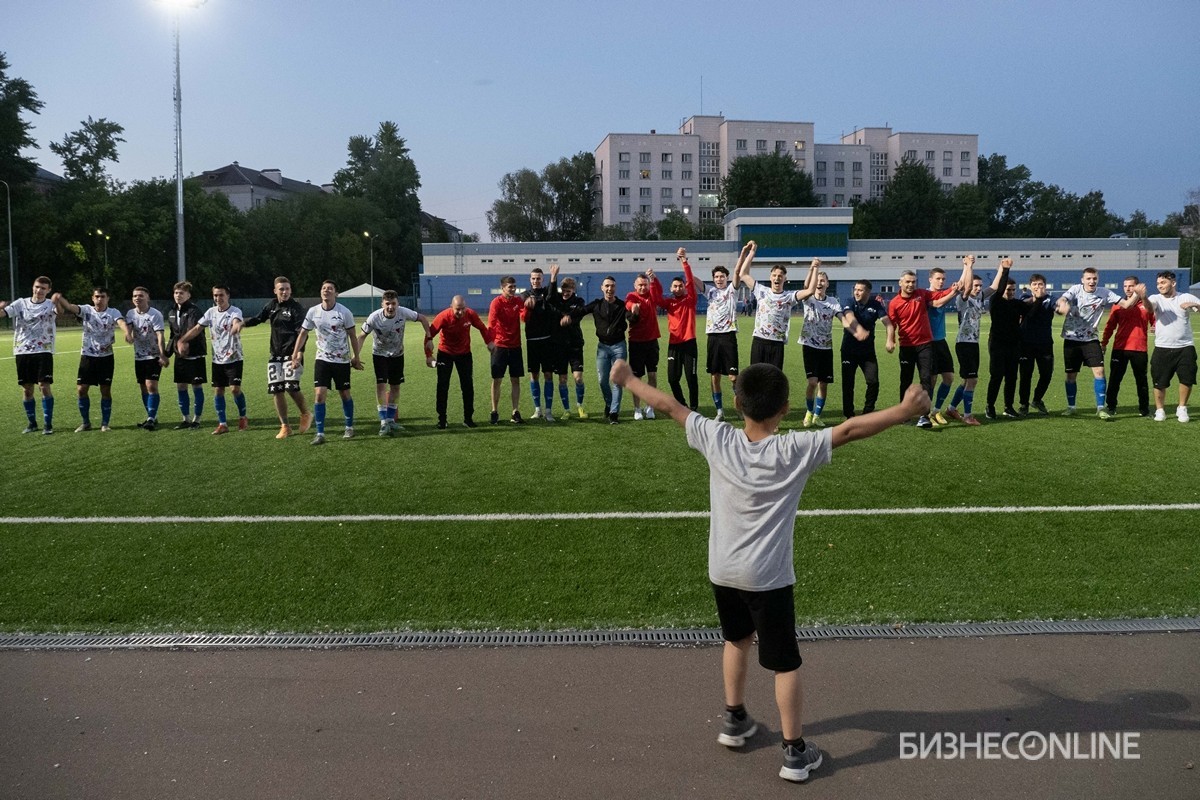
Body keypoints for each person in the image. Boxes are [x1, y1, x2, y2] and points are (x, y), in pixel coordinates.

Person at [609, 357, 928, 783]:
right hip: (768, 578)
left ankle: (735, 718)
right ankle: (795, 753)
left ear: (737, 403)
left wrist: (628, 378)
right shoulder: (793, 449)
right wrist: (905, 412)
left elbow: (670, 407)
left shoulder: (716, 437)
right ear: (786, 408)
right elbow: (849, 429)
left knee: (736, 639)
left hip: (722, 571)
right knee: (784, 664)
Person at [886, 256, 973, 428]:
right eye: (908, 282)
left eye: (913, 282)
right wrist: (890, 339)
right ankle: (905, 412)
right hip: (908, 345)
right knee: (907, 379)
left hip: (927, 344)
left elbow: (944, 296)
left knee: (928, 378)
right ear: (900, 283)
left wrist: (964, 271)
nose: (911, 285)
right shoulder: (896, 302)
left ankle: (925, 415)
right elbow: (891, 323)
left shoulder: (922, 295)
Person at [1056, 267, 1141, 420]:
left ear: (1098, 279)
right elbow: (1062, 299)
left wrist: (1137, 293)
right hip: (1071, 339)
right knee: (1070, 375)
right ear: (1082, 280)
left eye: (1094, 278)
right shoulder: (1075, 289)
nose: (1091, 281)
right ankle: (1071, 407)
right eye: (1088, 278)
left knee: (1100, 371)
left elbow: (1127, 305)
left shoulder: (1105, 293)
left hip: (1091, 339)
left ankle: (1101, 408)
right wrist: (1062, 303)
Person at [291, 280, 364, 445]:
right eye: (324, 288)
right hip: (322, 359)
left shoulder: (344, 312)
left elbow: (353, 335)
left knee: (344, 394)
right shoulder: (313, 311)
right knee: (319, 395)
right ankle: (320, 433)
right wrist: (295, 353)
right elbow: (303, 333)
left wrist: (356, 357)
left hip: (342, 360)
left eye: (330, 289)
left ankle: (349, 427)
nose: (326, 291)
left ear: (336, 293)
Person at [242, 276, 313, 439]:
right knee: (276, 390)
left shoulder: (296, 308)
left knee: (291, 387)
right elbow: (259, 318)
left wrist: (299, 352)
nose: (285, 292)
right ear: (275, 291)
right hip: (275, 355)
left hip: (292, 354)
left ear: (291, 290)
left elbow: (302, 333)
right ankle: (285, 426)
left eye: (287, 289)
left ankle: (305, 413)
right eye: (281, 289)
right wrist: (242, 324)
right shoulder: (271, 305)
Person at [797, 270, 869, 428]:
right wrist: (812, 269)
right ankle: (809, 412)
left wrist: (855, 332)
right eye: (818, 280)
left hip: (826, 348)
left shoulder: (833, 302)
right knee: (812, 382)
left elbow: (843, 320)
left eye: (823, 280)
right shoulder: (808, 298)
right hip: (809, 345)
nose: (820, 282)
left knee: (823, 384)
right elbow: (806, 285)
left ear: (827, 284)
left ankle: (817, 416)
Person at [52, 286, 129, 432]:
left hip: (106, 357)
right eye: (97, 296)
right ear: (93, 298)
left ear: (108, 298)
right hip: (87, 356)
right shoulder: (87, 310)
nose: (99, 299)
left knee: (105, 390)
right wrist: (59, 299)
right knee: (81, 389)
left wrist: (127, 333)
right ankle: (85, 422)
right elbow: (70, 307)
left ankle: (105, 423)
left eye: (103, 296)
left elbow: (121, 323)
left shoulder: (113, 312)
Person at [357, 289, 432, 436]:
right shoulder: (374, 317)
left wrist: (429, 338)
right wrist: (355, 356)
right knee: (381, 386)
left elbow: (423, 318)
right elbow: (361, 336)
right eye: (387, 304)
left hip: (398, 355)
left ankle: (391, 419)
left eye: (393, 304)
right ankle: (383, 422)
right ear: (382, 304)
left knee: (395, 387)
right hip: (380, 355)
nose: (390, 307)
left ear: (398, 304)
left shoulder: (403, 312)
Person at [176, 284, 248, 435]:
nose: (218, 298)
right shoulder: (211, 312)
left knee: (234, 390)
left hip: (234, 358)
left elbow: (236, 321)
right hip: (217, 359)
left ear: (228, 296)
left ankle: (242, 417)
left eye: (221, 295)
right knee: (218, 391)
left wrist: (236, 326)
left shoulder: (235, 311)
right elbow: (197, 328)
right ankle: (222, 424)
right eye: (215, 295)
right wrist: (183, 340)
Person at [568, 275, 633, 423]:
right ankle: (609, 403)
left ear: (615, 288)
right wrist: (568, 316)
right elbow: (581, 311)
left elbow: (632, 318)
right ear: (602, 288)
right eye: (607, 286)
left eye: (612, 286)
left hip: (619, 347)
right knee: (603, 381)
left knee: (617, 381)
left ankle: (614, 413)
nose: (609, 289)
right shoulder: (596, 304)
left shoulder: (622, 306)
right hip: (602, 347)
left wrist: (634, 312)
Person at [741, 246, 819, 369]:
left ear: (785, 279)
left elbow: (810, 290)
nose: (777, 278)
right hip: (759, 341)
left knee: (774, 380)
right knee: (756, 378)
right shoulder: (761, 291)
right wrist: (751, 253)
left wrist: (815, 268)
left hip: (777, 344)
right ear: (770, 277)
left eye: (780, 275)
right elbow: (743, 274)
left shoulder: (789, 297)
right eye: (774, 275)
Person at [1137, 271, 1200, 422]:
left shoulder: (1185, 297)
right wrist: (1143, 296)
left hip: (1185, 346)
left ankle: (1182, 408)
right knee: (1159, 381)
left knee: (1187, 379)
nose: (1160, 286)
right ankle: (1160, 410)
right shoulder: (1155, 298)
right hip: (1162, 347)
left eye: (1163, 283)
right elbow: (1150, 308)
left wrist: (1194, 305)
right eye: (1158, 283)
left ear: (1173, 283)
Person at [0, 276, 58, 434]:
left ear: (48, 290)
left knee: (44, 386)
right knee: (27, 389)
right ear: (33, 286)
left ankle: (48, 424)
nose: (39, 290)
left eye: (43, 288)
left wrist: (58, 301)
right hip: (22, 350)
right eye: (37, 287)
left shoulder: (50, 304)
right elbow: (3, 313)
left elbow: (59, 311)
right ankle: (32, 423)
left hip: (43, 350)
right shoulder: (21, 303)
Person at [427, 295, 494, 429]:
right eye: (458, 309)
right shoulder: (443, 316)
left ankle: (468, 419)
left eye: (463, 309)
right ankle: (442, 419)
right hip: (445, 354)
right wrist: (429, 355)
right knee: (443, 387)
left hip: (464, 355)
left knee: (468, 386)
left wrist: (489, 342)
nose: (461, 312)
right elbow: (429, 335)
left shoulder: (470, 314)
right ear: (451, 307)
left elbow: (482, 327)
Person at [701, 245, 751, 422]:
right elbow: (692, 280)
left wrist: (744, 253)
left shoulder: (732, 290)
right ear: (713, 279)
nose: (719, 279)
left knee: (733, 377)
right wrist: (684, 261)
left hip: (728, 336)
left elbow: (738, 271)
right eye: (716, 276)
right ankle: (720, 411)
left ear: (727, 278)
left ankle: (740, 408)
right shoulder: (710, 292)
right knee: (714, 376)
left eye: (722, 276)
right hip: (713, 336)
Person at [840, 279, 894, 419]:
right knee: (848, 383)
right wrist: (859, 330)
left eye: (860, 290)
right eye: (855, 289)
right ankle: (849, 414)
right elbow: (849, 317)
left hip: (867, 352)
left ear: (868, 292)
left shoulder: (876, 305)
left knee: (873, 382)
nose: (856, 292)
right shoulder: (849, 301)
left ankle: (868, 411)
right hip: (849, 351)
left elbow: (888, 324)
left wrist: (890, 340)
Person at [1100, 276, 1153, 417]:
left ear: (1137, 287)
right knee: (1115, 379)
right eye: (1125, 286)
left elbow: (1155, 321)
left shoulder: (1146, 305)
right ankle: (1111, 406)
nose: (1128, 289)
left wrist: (1155, 327)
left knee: (1141, 380)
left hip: (1139, 349)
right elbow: (1110, 326)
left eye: (1131, 286)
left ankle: (1144, 409)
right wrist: (1104, 343)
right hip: (1120, 348)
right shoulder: (1118, 305)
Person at [944, 274, 989, 426]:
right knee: (972, 380)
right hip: (964, 344)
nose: (978, 288)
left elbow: (994, 288)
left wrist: (1003, 269)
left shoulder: (978, 299)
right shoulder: (962, 300)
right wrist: (968, 266)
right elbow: (967, 287)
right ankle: (968, 416)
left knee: (967, 381)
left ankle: (951, 408)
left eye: (980, 286)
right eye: (975, 285)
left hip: (973, 343)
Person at [658, 248, 699, 411]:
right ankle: (682, 404)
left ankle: (694, 407)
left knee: (691, 377)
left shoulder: (690, 300)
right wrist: (653, 280)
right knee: (672, 379)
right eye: (674, 286)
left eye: (680, 286)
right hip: (674, 345)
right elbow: (656, 299)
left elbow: (690, 280)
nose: (677, 288)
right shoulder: (669, 303)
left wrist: (684, 261)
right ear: (671, 288)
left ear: (684, 287)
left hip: (689, 343)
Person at [984, 259, 1024, 420]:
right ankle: (990, 406)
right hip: (997, 344)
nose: (1011, 292)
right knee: (996, 375)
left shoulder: (1018, 304)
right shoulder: (996, 301)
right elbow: (999, 289)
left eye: (1013, 290)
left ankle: (1008, 406)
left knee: (1012, 377)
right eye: (1008, 289)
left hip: (1014, 345)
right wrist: (1005, 270)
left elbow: (1031, 310)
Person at [547, 264, 588, 418]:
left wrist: (569, 318)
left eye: (568, 290)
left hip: (575, 345)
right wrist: (553, 278)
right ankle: (567, 410)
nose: (565, 293)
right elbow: (550, 297)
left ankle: (580, 406)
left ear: (574, 290)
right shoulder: (556, 299)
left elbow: (579, 313)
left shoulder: (579, 301)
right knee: (562, 379)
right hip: (559, 346)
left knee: (578, 378)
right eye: (563, 290)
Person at [165, 281, 207, 430]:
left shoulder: (194, 311)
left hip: (195, 355)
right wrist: (166, 354)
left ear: (188, 295)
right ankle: (186, 419)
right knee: (181, 386)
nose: (178, 295)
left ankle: (197, 419)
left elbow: (193, 329)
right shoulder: (171, 312)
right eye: (176, 293)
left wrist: (184, 342)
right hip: (180, 357)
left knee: (196, 386)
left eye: (181, 293)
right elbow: (172, 335)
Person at [125, 286, 167, 431]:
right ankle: (152, 416)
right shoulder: (130, 314)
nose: (137, 298)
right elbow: (129, 330)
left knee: (151, 386)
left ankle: (150, 418)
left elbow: (160, 335)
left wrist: (162, 354)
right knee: (143, 387)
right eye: (135, 296)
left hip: (153, 355)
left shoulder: (155, 314)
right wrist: (128, 335)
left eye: (141, 295)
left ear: (147, 298)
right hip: (139, 356)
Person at [625, 269, 664, 420]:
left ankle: (650, 407)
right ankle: (637, 408)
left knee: (652, 375)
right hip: (636, 342)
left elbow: (658, 291)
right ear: (635, 285)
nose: (642, 287)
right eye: (640, 285)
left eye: (645, 285)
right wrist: (632, 307)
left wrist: (654, 278)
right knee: (636, 378)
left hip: (652, 342)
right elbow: (628, 303)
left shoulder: (652, 296)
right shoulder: (631, 295)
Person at [489, 276, 526, 425]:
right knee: (497, 380)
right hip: (500, 347)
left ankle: (515, 412)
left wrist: (527, 308)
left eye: (514, 286)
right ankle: (494, 411)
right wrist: (490, 341)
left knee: (515, 379)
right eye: (510, 287)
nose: (513, 289)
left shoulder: (518, 301)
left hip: (515, 346)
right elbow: (491, 323)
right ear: (503, 288)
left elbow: (524, 317)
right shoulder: (496, 303)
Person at [1017, 273, 1056, 415]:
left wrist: (1062, 308)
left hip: (1045, 344)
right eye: (1035, 284)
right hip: (1026, 344)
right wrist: (1037, 299)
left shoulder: (1050, 299)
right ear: (1030, 286)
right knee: (1025, 376)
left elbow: (1057, 306)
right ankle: (1023, 405)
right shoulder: (1024, 299)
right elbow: (1029, 312)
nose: (1037, 287)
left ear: (1045, 286)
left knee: (1046, 374)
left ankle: (1037, 399)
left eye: (1040, 284)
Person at [925, 267, 959, 426]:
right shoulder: (925, 295)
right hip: (928, 342)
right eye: (938, 278)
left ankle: (936, 410)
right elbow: (937, 304)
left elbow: (961, 286)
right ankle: (926, 413)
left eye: (943, 279)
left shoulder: (944, 292)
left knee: (949, 377)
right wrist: (953, 292)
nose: (941, 281)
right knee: (931, 380)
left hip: (941, 341)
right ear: (930, 279)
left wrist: (967, 266)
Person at [521, 268, 557, 420]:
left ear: (542, 279)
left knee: (548, 374)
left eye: (539, 278)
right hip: (532, 341)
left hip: (547, 340)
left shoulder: (546, 291)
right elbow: (523, 317)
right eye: (534, 278)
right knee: (534, 375)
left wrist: (554, 276)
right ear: (530, 280)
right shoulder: (524, 295)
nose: (536, 281)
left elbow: (551, 293)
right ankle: (538, 410)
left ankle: (548, 411)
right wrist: (528, 306)